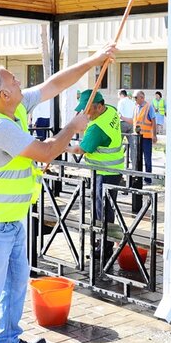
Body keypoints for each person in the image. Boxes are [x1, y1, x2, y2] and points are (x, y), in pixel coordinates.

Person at [0, 44, 116, 343]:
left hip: (11, 219)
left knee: (14, 284)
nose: (22, 83)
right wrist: (73, 125)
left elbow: (54, 84)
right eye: (14, 80)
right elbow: (45, 152)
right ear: (5, 94)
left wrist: (94, 59)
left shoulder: (14, 106)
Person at [66, 90, 124, 258]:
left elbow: (80, 149)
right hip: (115, 170)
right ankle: (106, 244)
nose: (85, 114)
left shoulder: (97, 128)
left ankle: (104, 248)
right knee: (108, 210)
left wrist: (62, 147)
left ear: (99, 107)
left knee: (102, 212)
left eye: (87, 110)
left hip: (103, 173)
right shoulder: (111, 110)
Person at [132, 90, 157, 184]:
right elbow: (134, 120)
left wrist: (154, 135)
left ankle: (147, 178)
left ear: (142, 98)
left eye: (135, 97)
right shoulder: (135, 107)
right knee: (137, 158)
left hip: (146, 137)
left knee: (147, 158)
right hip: (137, 137)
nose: (134, 99)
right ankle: (137, 177)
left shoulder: (148, 107)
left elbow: (153, 121)